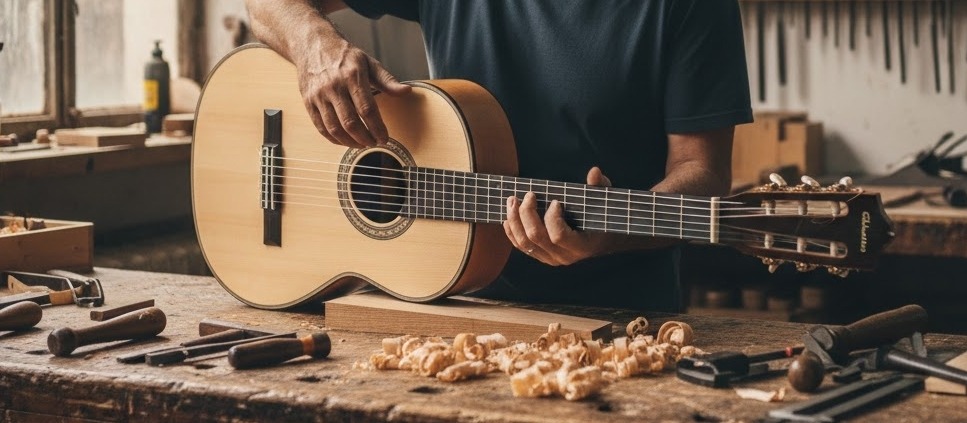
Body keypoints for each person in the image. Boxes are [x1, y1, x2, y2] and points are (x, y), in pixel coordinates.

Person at [246, 0, 753, 312]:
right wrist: (314, 45)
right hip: (444, 303)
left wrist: (607, 235)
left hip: (617, 322)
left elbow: (702, 173)